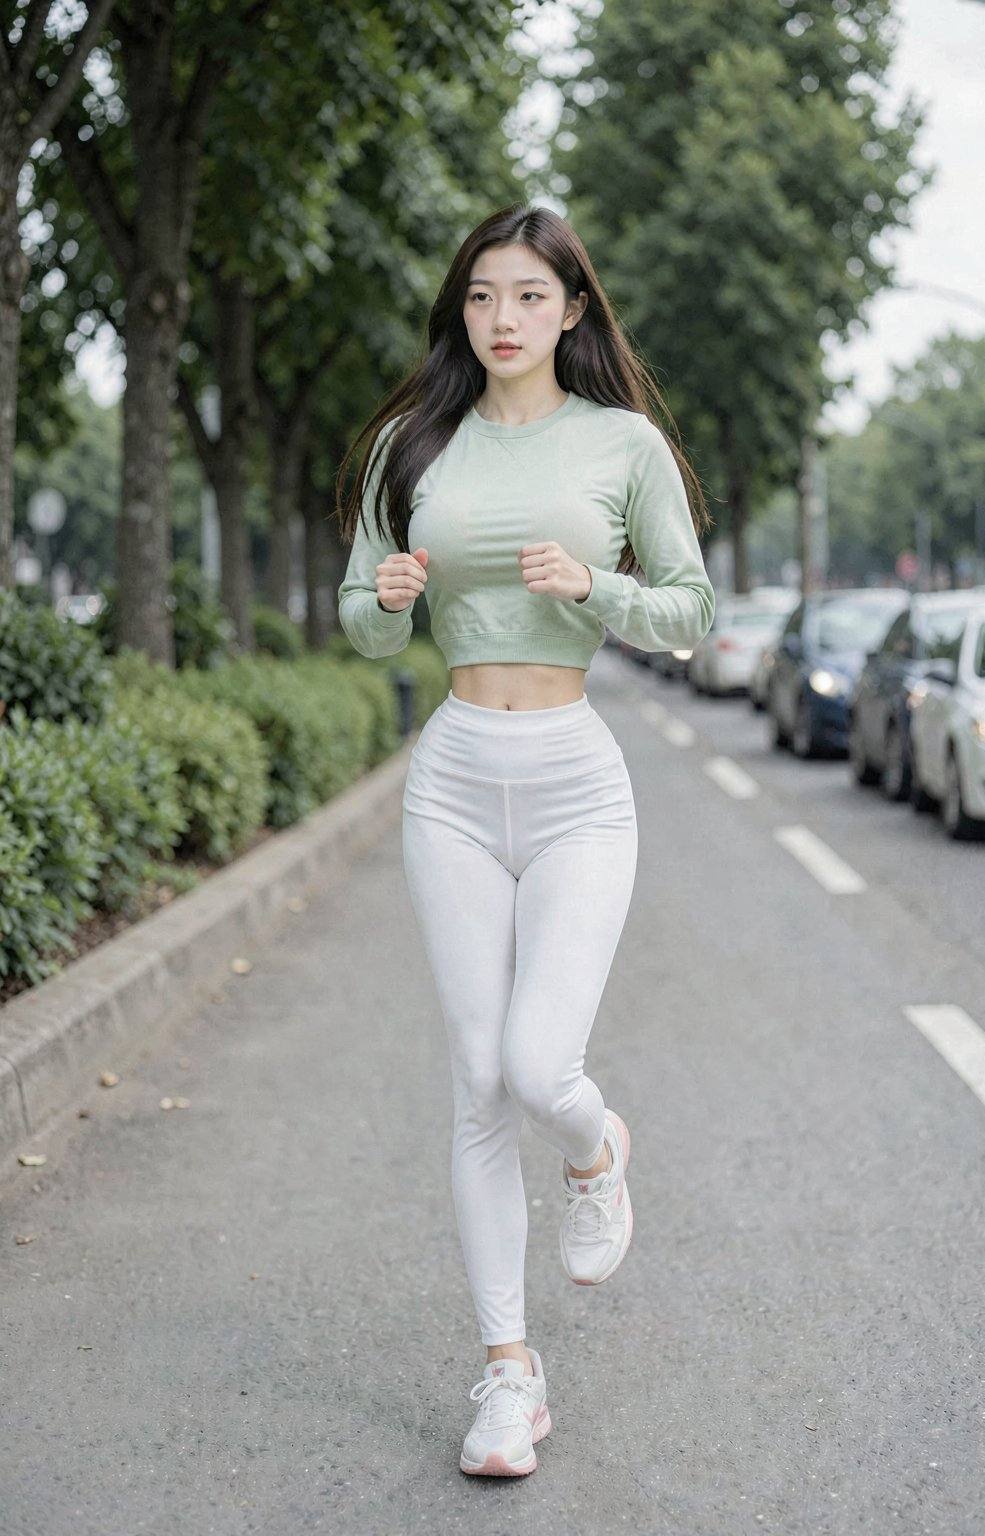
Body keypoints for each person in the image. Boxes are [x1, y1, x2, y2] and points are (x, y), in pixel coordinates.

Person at [335, 203, 715, 1479]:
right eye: (482, 296)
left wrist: (591, 585)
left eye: (530, 297)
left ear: (572, 312)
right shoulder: (411, 444)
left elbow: (689, 611)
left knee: (540, 1066)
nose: (503, 319)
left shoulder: (621, 444)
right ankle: (508, 1374)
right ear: (462, 311)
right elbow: (363, 617)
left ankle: (596, 1150)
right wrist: (389, 601)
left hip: (573, 782)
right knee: (475, 1080)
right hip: (452, 777)